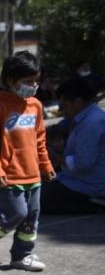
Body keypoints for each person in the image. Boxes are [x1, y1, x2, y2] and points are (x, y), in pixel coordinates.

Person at [0, 51, 57, 271]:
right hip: (7, 175)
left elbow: (40, 138)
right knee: (16, 214)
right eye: (27, 82)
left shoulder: (36, 106)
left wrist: (46, 165)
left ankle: (22, 255)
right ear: (11, 80)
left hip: (32, 174)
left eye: (36, 82)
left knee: (31, 217)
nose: (33, 86)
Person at [41, 77, 105, 214]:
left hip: (89, 185)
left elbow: (82, 164)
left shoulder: (91, 123)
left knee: (33, 200)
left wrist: (54, 155)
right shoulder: (85, 117)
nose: (62, 111)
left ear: (78, 102)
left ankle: (92, 204)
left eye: (64, 106)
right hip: (77, 178)